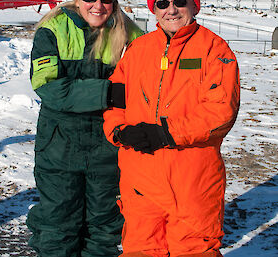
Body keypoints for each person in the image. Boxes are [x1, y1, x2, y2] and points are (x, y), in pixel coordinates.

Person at [103, 0, 240, 256]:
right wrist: (119, 130)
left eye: (180, 1)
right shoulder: (137, 49)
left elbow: (221, 111)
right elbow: (115, 101)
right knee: (140, 249)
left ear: (194, 7)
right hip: (140, 179)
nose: (171, 9)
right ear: (154, 9)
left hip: (192, 181)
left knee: (194, 251)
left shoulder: (214, 48)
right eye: (163, 3)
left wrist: (166, 132)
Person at [26, 0, 143, 256]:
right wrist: (109, 92)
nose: (98, 6)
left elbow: (143, 86)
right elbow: (49, 87)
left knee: (105, 226)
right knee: (57, 224)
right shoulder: (53, 29)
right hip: (59, 146)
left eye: (107, 0)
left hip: (108, 147)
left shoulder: (132, 36)